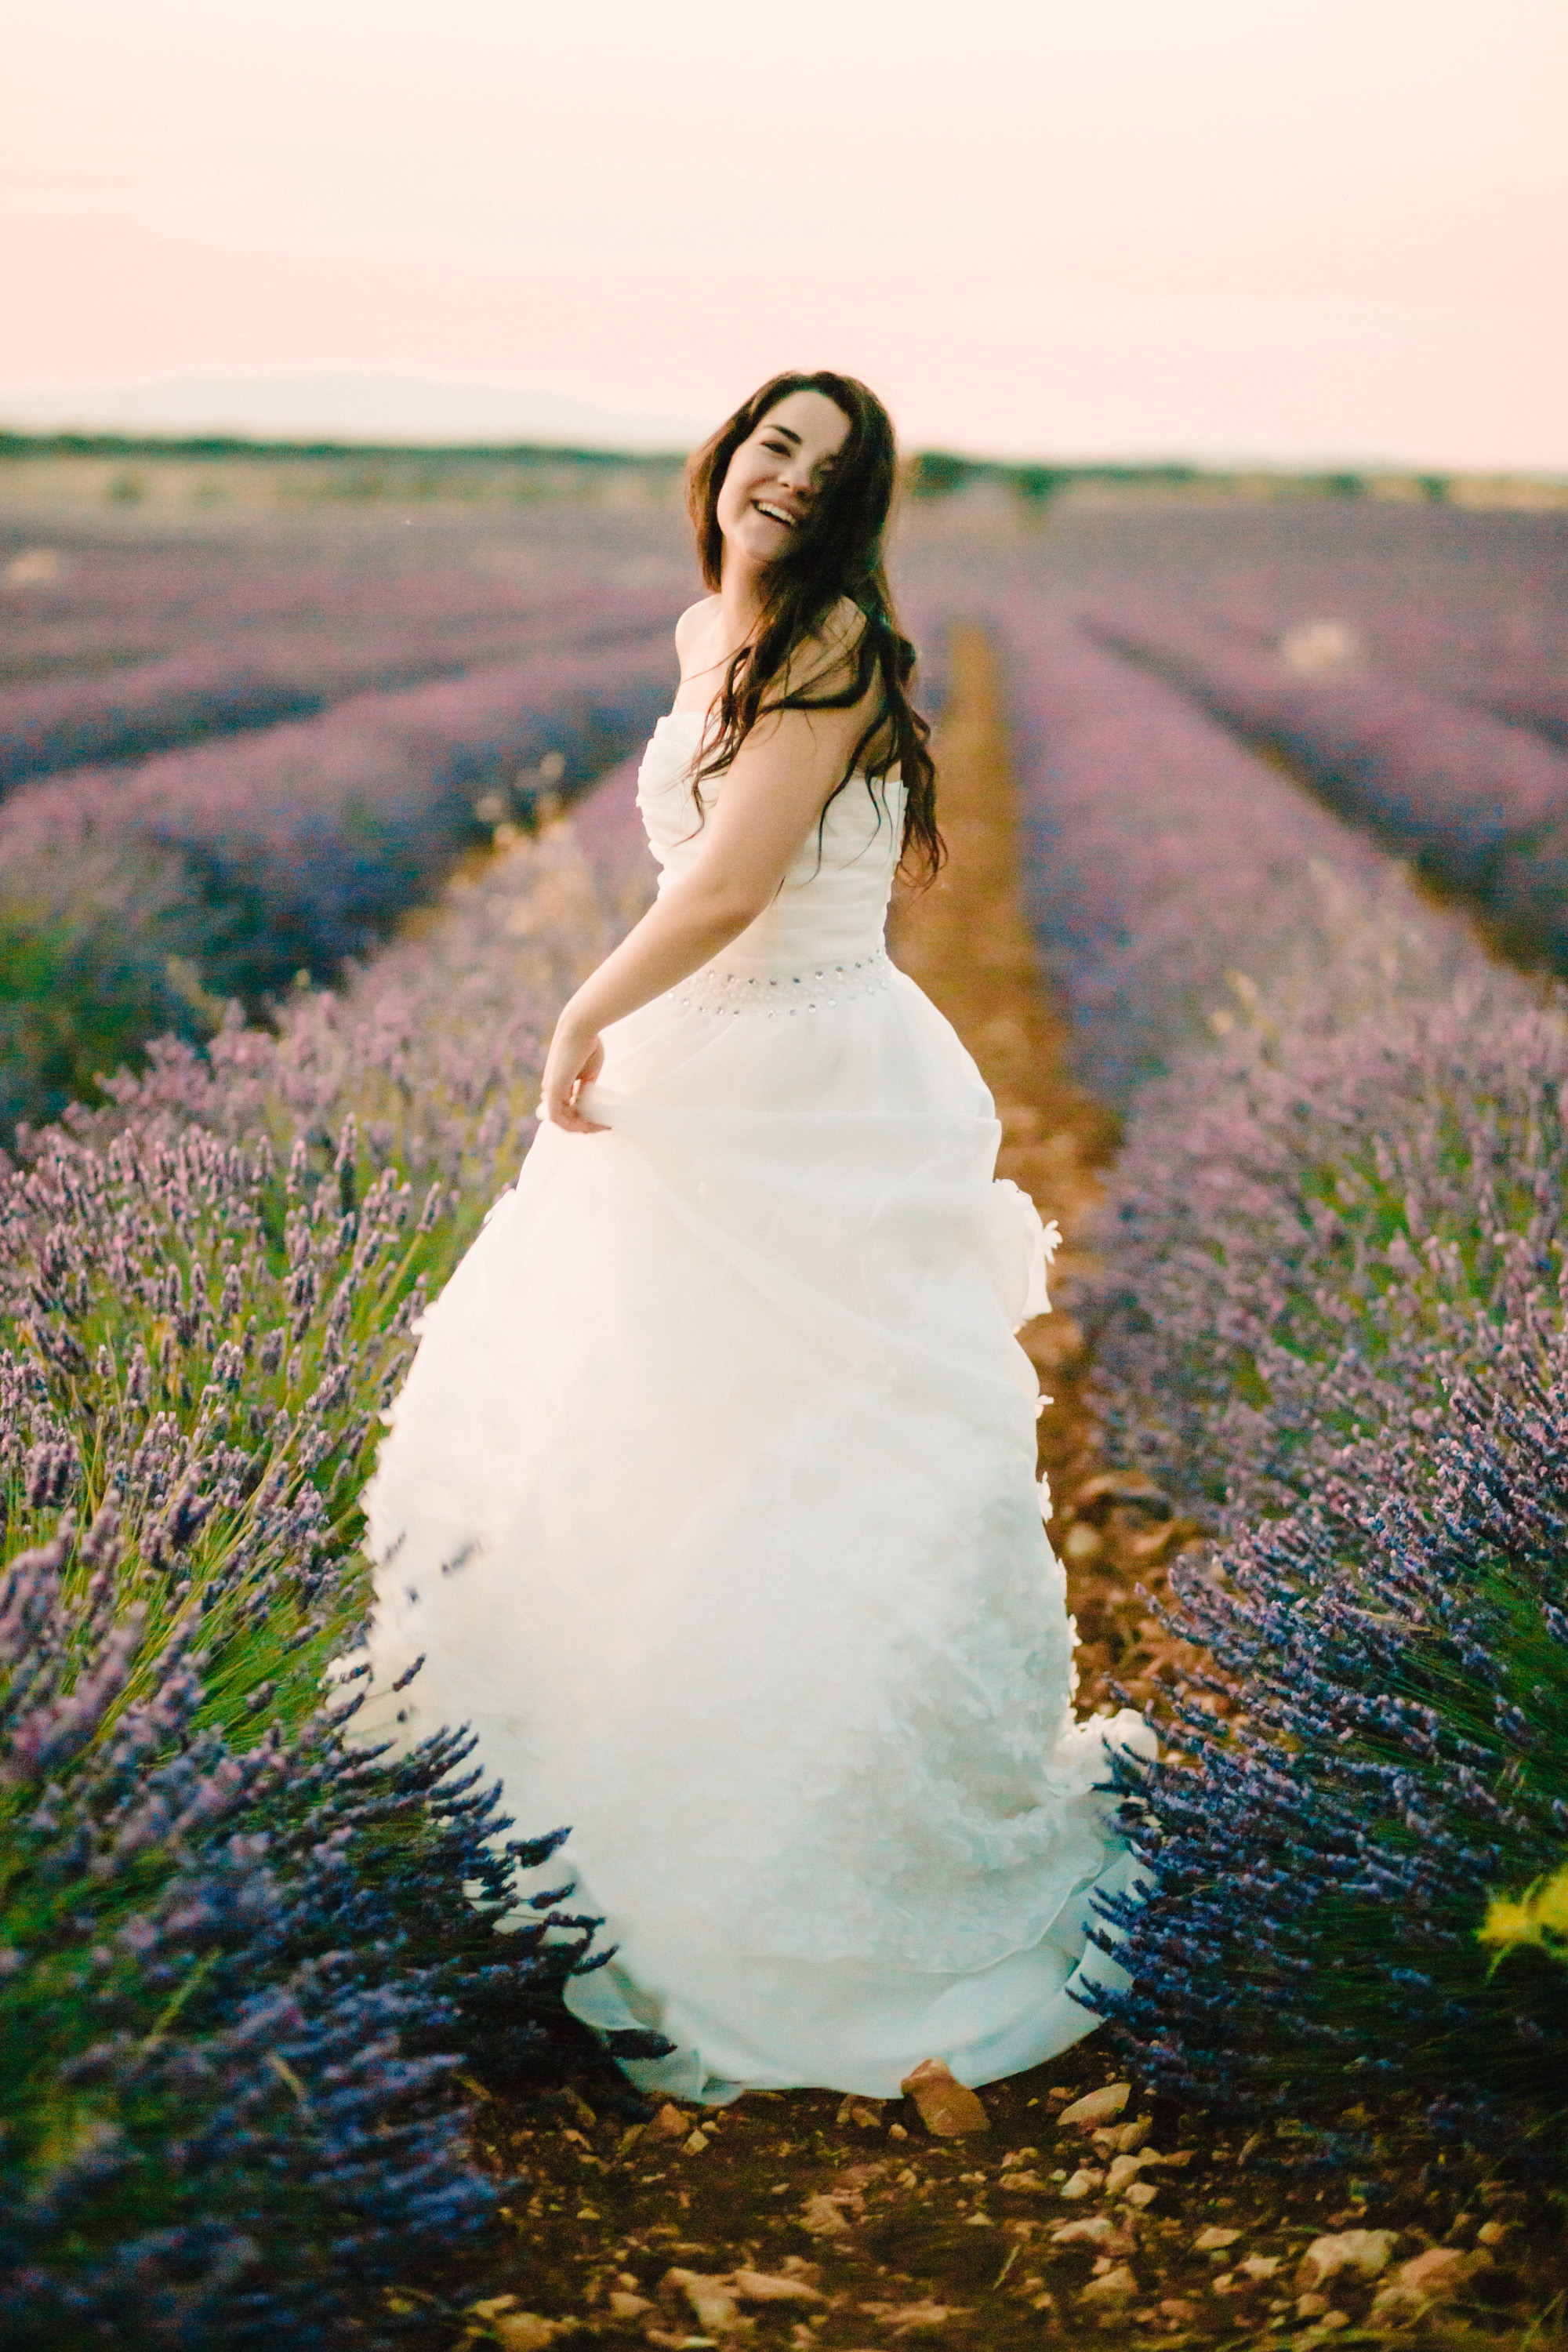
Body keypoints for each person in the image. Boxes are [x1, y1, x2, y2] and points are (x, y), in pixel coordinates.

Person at [353, 370, 1152, 2103]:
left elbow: (722, 889)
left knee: (826, 1460)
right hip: (707, 1069)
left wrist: (576, 1013)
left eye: (827, 467)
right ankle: (630, 1815)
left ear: (857, 509)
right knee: (652, 1437)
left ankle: (824, 1873)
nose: (787, 479)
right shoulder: (713, 626)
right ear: (722, 456)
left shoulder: (832, 642)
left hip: (801, 1082)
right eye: (772, 443)